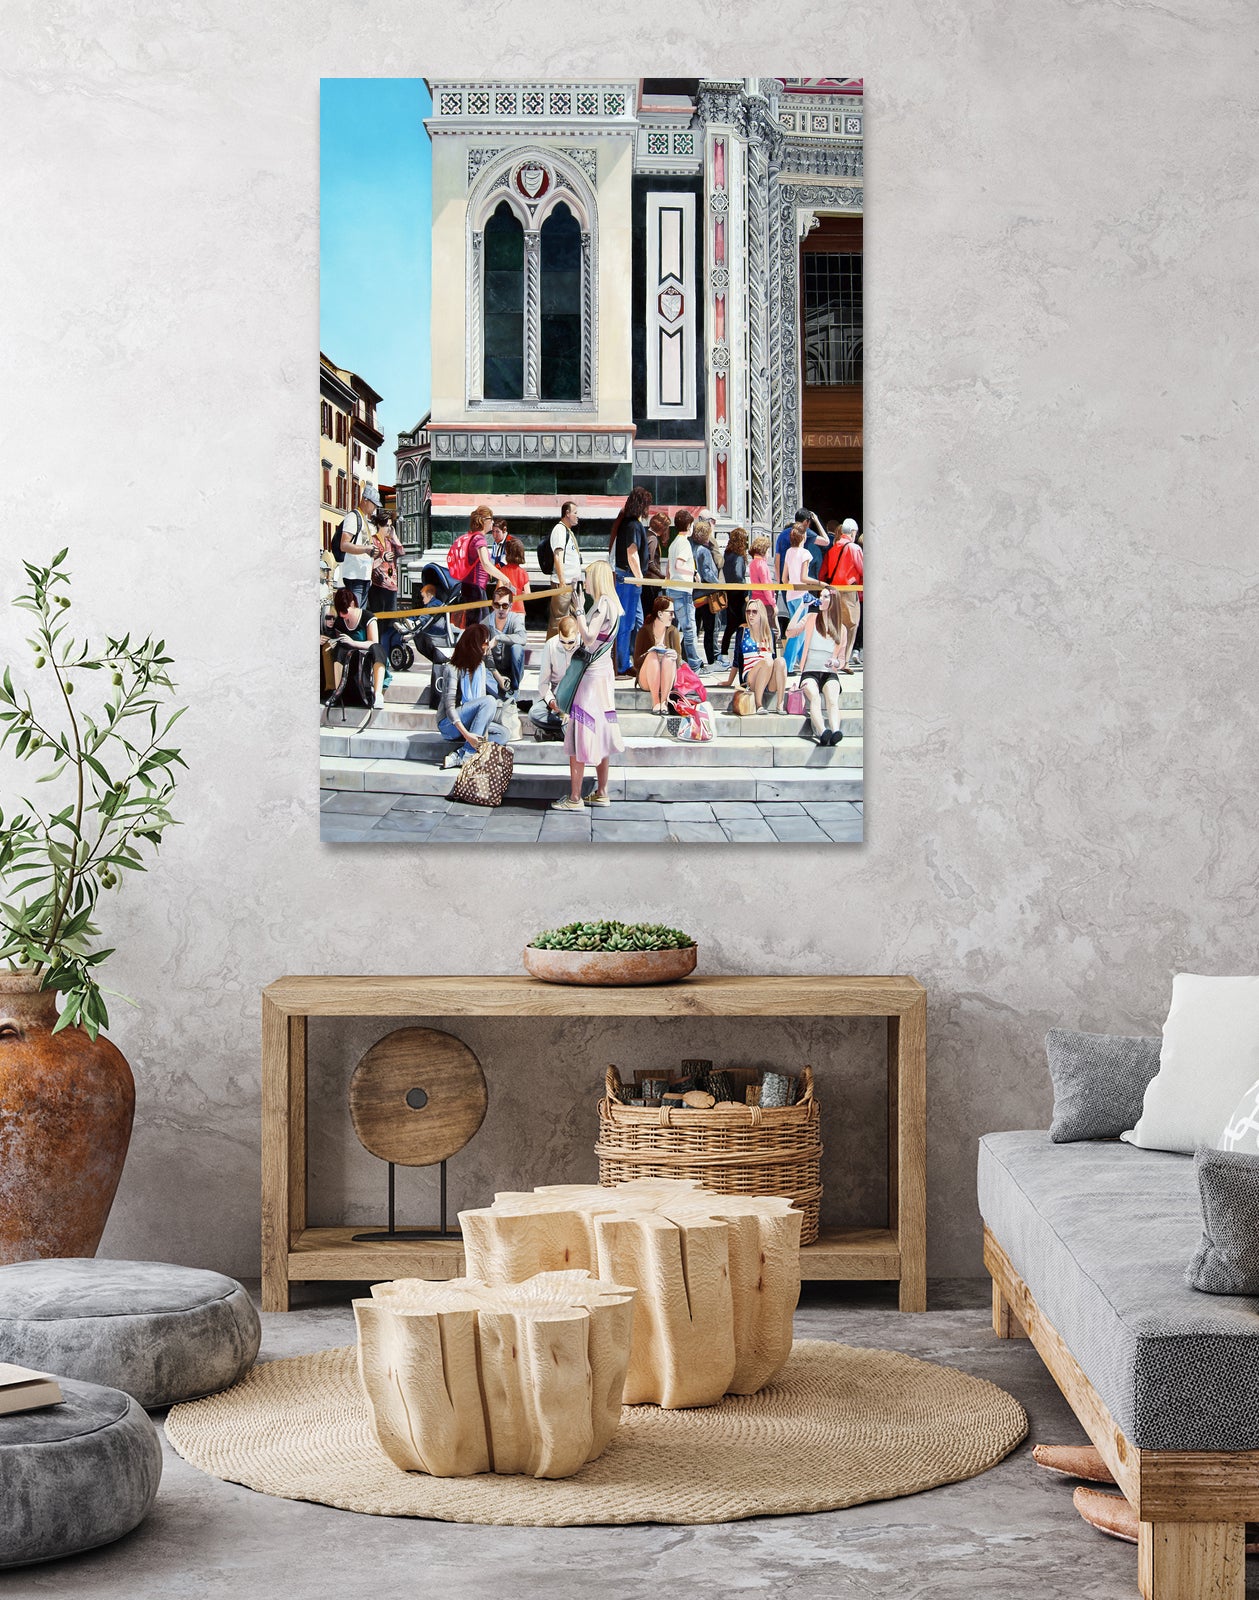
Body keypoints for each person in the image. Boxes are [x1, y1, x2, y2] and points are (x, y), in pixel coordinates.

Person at [554, 559, 623, 812]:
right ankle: (602, 791)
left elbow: (589, 636)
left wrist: (580, 610)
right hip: (604, 674)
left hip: (591, 677)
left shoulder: (603, 603)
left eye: (589, 576)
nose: (587, 582)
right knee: (602, 732)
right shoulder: (614, 605)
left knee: (581, 733)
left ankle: (575, 797)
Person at [437, 622, 511, 769]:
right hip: (450, 724)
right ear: (474, 645)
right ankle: (469, 755)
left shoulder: (481, 667)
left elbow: (481, 706)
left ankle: (460, 754)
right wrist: (468, 736)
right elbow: (450, 708)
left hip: (471, 723)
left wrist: (481, 732)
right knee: (489, 701)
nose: (488, 646)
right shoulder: (452, 669)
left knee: (503, 734)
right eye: (484, 642)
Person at [786, 588, 847, 744]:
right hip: (809, 672)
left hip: (829, 672)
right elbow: (790, 632)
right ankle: (822, 732)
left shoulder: (841, 628)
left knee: (832, 699)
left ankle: (835, 731)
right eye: (820, 595)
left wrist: (835, 663)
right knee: (814, 698)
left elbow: (842, 661)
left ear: (832, 601)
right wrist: (801, 607)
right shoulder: (811, 618)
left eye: (825, 596)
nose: (820, 598)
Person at [608, 485, 650, 674]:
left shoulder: (626, 522)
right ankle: (622, 665)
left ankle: (630, 659)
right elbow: (632, 553)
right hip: (629, 578)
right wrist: (640, 578)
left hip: (626, 576)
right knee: (626, 623)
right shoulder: (633, 524)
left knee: (636, 621)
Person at [321, 587, 385, 709]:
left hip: (367, 657)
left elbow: (374, 643)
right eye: (340, 611)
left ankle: (378, 694)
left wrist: (353, 642)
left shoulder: (367, 617)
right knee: (336, 649)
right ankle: (337, 690)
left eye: (345, 611)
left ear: (352, 603)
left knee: (378, 649)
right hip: (348, 659)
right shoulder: (340, 621)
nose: (342, 615)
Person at [723, 596, 786, 714]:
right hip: (750, 676)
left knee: (780, 661)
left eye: (754, 612)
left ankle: (780, 704)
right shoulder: (742, 632)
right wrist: (729, 681)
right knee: (767, 661)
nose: (750, 615)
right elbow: (737, 660)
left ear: (761, 614)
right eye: (748, 611)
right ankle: (759, 704)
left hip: (768, 677)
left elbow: (774, 662)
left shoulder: (769, 633)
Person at [818, 516, 864, 671]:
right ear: (852, 532)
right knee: (852, 626)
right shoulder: (854, 548)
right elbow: (863, 570)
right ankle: (844, 661)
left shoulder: (832, 549)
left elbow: (823, 573)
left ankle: (835, 658)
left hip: (833, 592)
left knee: (837, 626)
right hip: (850, 592)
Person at [774, 508, 829, 630]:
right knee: (801, 625)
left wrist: (780, 584)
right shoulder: (805, 534)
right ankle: (799, 648)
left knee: (793, 621)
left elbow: (777, 560)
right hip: (801, 587)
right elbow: (826, 541)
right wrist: (817, 521)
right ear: (806, 522)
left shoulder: (782, 535)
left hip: (787, 586)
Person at [368, 513, 406, 681]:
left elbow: (402, 551)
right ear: (379, 526)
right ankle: (380, 658)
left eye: (391, 525)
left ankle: (386, 658)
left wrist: (395, 535)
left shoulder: (390, 541)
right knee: (381, 623)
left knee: (390, 623)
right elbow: (369, 565)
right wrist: (382, 557)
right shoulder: (373, 541)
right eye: (387, 526)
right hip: (378, 587)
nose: (389, 528)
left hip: (392, 585)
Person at [665, 509, 704, 674]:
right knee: (689, 629)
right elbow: (678, 566)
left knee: (672, 628)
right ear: (689, 525)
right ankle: (694, 664)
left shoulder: (674, 543)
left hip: (672, 589)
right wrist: (694, 573)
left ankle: (674, 661)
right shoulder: (684, 544)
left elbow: (669, 568)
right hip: (682, 590)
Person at [458, 505, 511, 625]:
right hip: (475, 587)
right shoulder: (479, 539)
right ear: (484, 521)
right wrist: (504, 578)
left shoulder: (472, 536)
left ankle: (474, 643)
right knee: (478, 624)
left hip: (471, 585)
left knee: (477, 623)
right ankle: (473, 644)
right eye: (491, 519)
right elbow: (486, 564)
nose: (492, 522)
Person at [531, 613, 579, 737]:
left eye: (571, 642)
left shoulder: (585, 646)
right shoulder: (551, 645)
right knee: (535, 713)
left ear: (577, 634)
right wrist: (551, 700)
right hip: (557, 695)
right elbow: (543, 682)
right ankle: (567, 730)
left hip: (578, 698)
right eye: (563, 641)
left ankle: (556, 734)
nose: (567, 646)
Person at [633, 594, 681, 714]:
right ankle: (655, 702)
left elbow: (679, 662)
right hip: (647, 679)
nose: (673, 616)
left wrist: (676, 656)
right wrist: (649, 653)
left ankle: (664, 702)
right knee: (653, 655)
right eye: (670, 613)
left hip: (667, 677)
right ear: (660, 614)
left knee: (669, 658)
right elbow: (636, 663)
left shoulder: (673, 632)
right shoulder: (644, 631)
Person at [335, 484, 381, 609]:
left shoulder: (363, 519)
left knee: (359, 614)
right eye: (374, 504)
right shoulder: (353, 517)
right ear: (365, 500)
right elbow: (344, 545)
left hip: (363, 576)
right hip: (354, 576)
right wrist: (366, 549)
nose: (375, 508)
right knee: (355, 614)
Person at [547, 501, 585, 638]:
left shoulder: (567, 531)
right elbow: (558, 556)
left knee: (575, 618)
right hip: (563, 583)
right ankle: (552, 650)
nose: (577, 516)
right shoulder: (560, 530)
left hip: (572, 584)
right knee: (558, 620)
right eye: (575, 513)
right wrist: (562, 581)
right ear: (567, 513)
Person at [484, 584, 527, 696]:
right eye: (497, 605)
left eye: (505, 606)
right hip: (493, 670)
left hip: (512, 669)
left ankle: (514, 688)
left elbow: (522, 638)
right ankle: (498, 693)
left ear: (511, 606)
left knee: (517, 648)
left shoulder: (515, 619)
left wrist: (499, 638)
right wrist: (497, 676)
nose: (501, 609)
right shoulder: (486, 623)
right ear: (492, 605)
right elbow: (482, 651)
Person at [692, 518, 723, 668]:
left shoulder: (691, 547)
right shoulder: (703, 551)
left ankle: (689, 656)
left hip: (695, 594)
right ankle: (711, 659)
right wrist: (719, 584)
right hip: (706, 594)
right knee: (709, 629)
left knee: (695, 628)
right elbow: (706, 572)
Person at [720, 526, 749, 661]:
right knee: (743, 623)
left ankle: (724, 651)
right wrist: (745, 592)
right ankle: (741, 652)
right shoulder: (738, 557)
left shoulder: (727, 554)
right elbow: (738, 575)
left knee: (731, 625)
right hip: (738, 594)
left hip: (730, 591)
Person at [501, 535, 531, 614]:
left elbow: (498, 590)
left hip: (505, 609)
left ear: (507, 553)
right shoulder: (524, 573)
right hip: (520, 610)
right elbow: (528, 595)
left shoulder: (503, 570)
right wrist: (519, 592)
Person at [645, 510, 670, 582]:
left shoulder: (647, 534)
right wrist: (661, 575)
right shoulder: (653, 539)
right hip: (652, 579)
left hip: (648, 578)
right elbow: (650, 563)